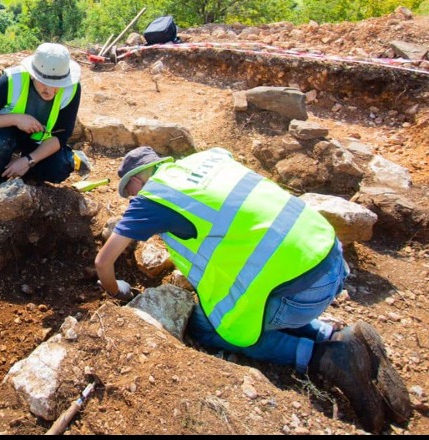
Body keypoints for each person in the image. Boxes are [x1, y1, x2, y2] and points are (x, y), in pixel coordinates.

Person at [95, 146, 411, 433]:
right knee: (254, 298)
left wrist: (119, 292)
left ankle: (325, 357)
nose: (131, 200)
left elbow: (103, 263)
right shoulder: (209, 158)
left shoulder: (153, 200)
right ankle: (336, 335)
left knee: (208, 328)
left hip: (298, 292)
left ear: (139, 180)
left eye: (129, 192)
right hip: (329, 258)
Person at [0, 42, 89, 195]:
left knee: (60, 168)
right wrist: (17, 119)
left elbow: (61, 136)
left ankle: (26, 174)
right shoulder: (13, 80)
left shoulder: (71, 89)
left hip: (38, 143)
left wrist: (28, 161)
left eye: (57, 84)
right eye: (44, 82)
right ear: (32, 75)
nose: (50, 90)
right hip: (7, 135)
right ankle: (0, 177)